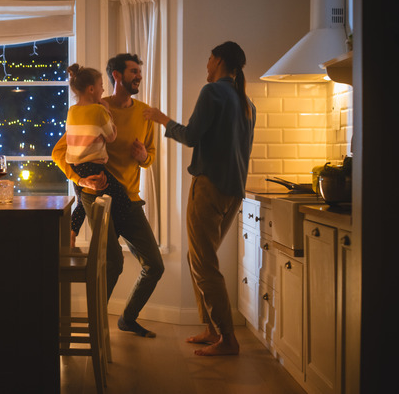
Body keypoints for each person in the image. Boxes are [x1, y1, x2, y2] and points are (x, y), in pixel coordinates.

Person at [143, 41, 256, 356]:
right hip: (234, 193)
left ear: (218, 60)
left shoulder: (213, 93)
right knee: (201, 261)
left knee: (203, 264)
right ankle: (212, 329)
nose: (206, 65)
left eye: (208, 59)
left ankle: (228, 340)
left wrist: (162, 119)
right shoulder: (247, 103)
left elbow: (191, 136)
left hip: (208, 188)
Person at [53, 53, 163, 338]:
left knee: (155, 264)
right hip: (99, 197)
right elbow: (62, 152)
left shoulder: (144, 112)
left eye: (139, 71)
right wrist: (80, 180)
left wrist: (144, 156)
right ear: (116, 76)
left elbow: (149, 156)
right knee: (113, 262)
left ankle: (127, 318)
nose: (138, 76)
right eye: (133, 71)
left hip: (129, 198)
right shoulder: (94, 110)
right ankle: (95, 324)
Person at [64, 63, 131, 239]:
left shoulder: (72, 111)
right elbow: (111, 136)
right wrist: (108, 111)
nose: (103, 90)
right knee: (123, 201)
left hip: (76, 167)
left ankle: (71, 232)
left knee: (81, 203)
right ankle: (113, 235)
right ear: (91, 89)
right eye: (101, 86)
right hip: (93, 167)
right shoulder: (99, 111)